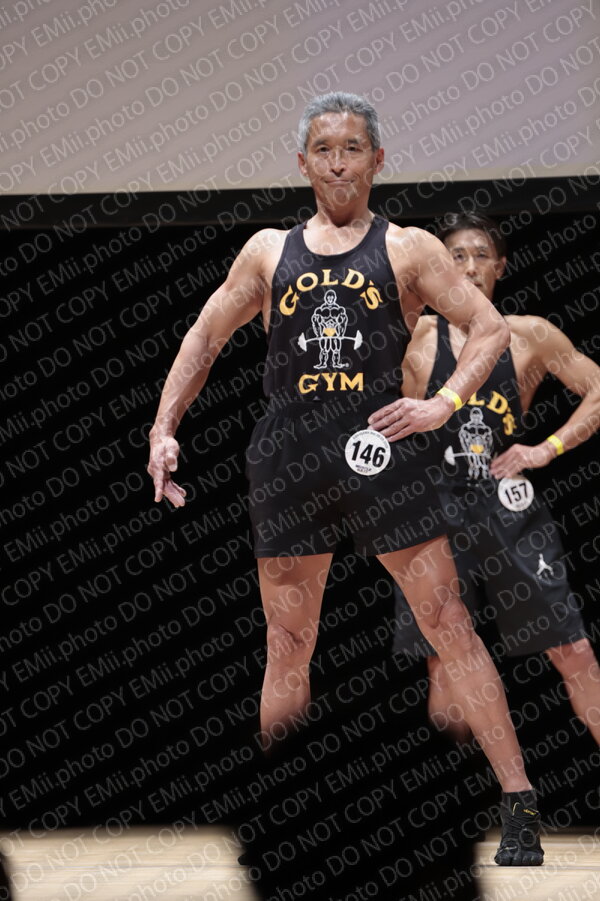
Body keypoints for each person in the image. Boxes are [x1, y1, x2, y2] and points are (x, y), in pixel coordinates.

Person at [147, 94, 542, 866]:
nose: (337, 162)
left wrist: (443, 403)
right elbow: (204, 334)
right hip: (289, 457)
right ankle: (283, 816)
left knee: (448, 622)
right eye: (323, 149)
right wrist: (163, 426)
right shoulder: (268, 251)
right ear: (302, 163)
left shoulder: (409, 248)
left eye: (352, 148)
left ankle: (518, 798)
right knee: (288, 640)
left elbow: (489, 326)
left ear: (377, 160)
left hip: (384, 450)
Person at [393, 210, 600, 754]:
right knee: (443, 663)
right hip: (434, 506)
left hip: (507, 504)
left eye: (481, 255)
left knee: (573, 649)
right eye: (457, 256)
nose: (469, 266)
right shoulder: (415, 334)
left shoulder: (530, 334)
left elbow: (598, 388)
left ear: (500, 266)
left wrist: (546, 449)